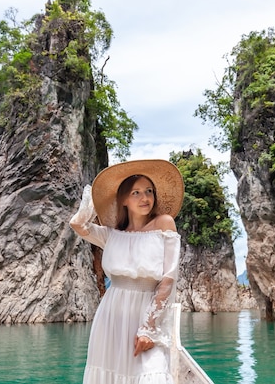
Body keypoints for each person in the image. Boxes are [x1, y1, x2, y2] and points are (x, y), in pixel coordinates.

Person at [69, 159, 184, 384]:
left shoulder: (164, 224)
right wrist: (93, 201)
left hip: (147, 312)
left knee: (154, 375)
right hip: (111, 315)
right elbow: (78, 224)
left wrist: (149, 327)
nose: (145, 198)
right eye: (136, 192)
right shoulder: (112, 235)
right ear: (123, 199)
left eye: (149, 191)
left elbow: (168, 280)